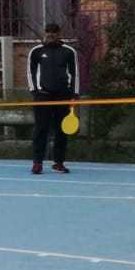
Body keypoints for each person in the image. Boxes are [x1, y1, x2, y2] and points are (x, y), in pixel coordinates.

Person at [29, 22, 79, 175]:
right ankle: (37, 163)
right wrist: (34, 91)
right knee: (41, 129)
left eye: (54, 32)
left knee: (61, 130)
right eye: (48, 32)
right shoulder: (36, 51)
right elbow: (30, 72)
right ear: (44, 33)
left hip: (63, 96)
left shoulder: (69, 51)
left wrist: (74, 94)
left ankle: (58, 162)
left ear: (59, 34)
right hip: (42, 96)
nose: (50, 34)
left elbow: (75, 73)